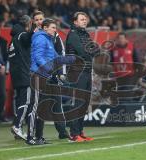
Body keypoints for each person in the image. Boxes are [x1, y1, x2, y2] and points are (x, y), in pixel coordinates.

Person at [28, 18, 75, 145]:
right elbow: (38, 57)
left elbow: (57, 58)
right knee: (35, 107)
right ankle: (30, 137)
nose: (55, 30)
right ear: (45, 28)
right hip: (38, 75)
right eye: (53, 27)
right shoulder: (40, 38)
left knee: (42, 108)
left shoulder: (48, 40)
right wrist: (48, 68)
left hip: (45, 77)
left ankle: (38, 137)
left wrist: (71, 59)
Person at [65, 11, 98, 142]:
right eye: (82, 19)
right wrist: (92, 50)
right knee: (78, 103)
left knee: (84, 104)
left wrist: (92, 50)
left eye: (85, 19)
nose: (84, 21)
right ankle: (74, 134)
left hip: (86, 71)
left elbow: (96, 50)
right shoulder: (73, 35)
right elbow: (83, 51)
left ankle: (80, 131)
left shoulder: (85, 34)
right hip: (77, 72)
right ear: (75, 22)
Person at [9, 15, 33, 140]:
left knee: (20, 101)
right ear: (28, 24)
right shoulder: (22, 35)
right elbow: (28, 37)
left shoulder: (12, 40)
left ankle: (18, 128)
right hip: (24, 74)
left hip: (15, 75)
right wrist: (35, 29)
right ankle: (17, 126)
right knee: (26, 101)